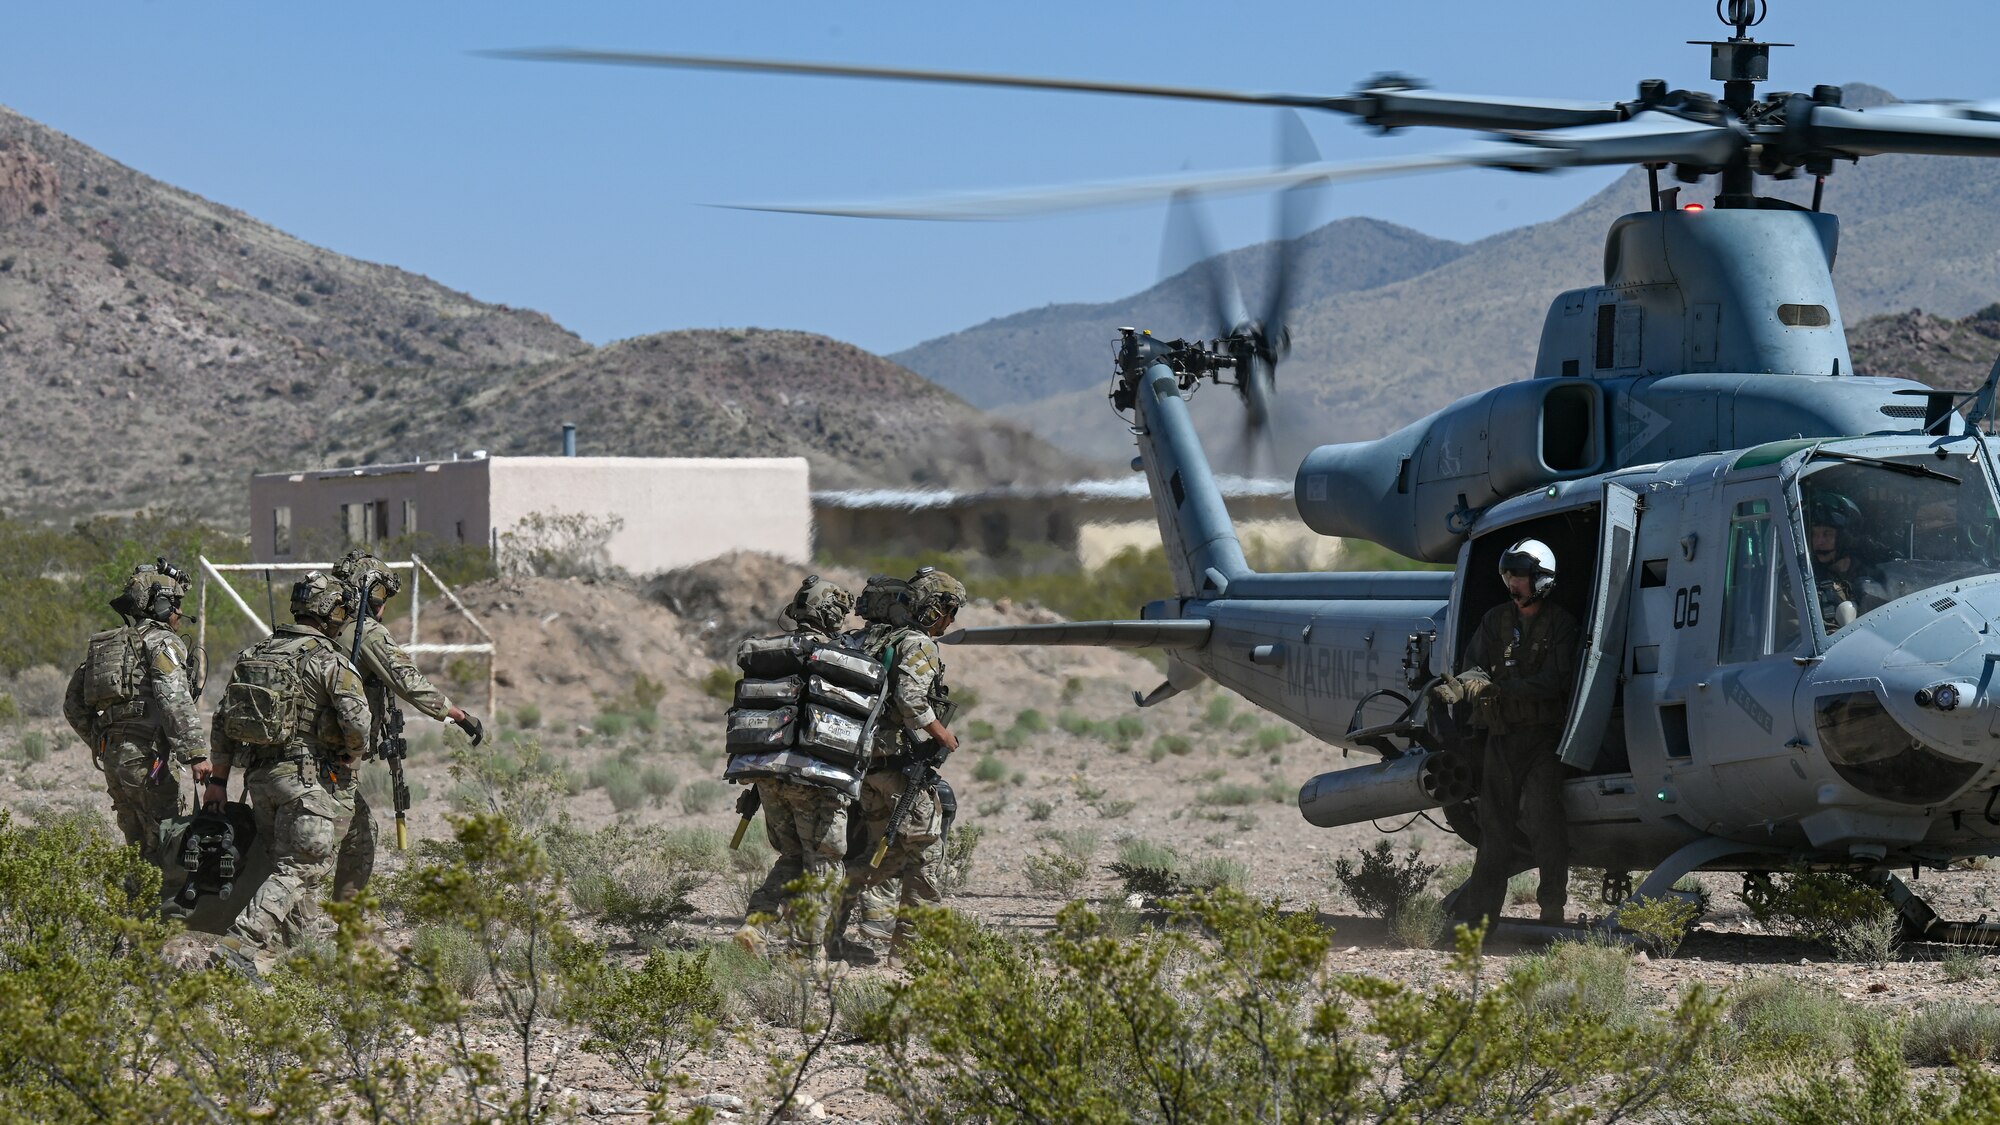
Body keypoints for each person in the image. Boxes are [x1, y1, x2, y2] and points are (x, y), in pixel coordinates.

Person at [205, 571, 370, 958]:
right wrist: (353, 752)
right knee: (301, 867)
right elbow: (359, 723)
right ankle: (239, 943)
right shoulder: (330, 660)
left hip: (261, 781)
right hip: (306, 782)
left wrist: (218, 780)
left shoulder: (254, 654)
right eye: (342, 609)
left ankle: (297, 962)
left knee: (293, 876)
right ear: (328, 611)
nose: (344, 617)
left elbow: (222, 721)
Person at [1432, 539, 1580, 929]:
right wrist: (1462, 686)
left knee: (1543, 817)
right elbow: (1475, 666)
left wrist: (1500, 690)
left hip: (1543, 739)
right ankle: (1481, 917)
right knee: (1493, 826)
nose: (1514, 584)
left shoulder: (1562, 625)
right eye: (1510, 576)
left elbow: (1556, 680)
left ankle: (1552, 909)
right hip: (1501, 737)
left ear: (1542, 580)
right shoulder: (1495, 620)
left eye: (1522, 577)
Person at [328, 549, 485, 898]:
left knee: (333, 840)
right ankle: (333, 925)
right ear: (373, 593)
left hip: (306, 754)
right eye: (384, 595)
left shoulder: (322, 626)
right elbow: (408, 681)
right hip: (332, 761)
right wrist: (458, 715)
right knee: (326, 849)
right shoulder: (364, 631)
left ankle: (341, 925)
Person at [837, 567, 965, 957]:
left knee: (881, 850)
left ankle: (826, 919)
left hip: (860, 767)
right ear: (933, 609)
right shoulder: (917, 643)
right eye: (950, 610)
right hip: (896, 767)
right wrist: (943, 735)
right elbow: (912, 699)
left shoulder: (862, 639)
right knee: (926, 853)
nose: (952, 620)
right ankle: (913, 948)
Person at [734, 575, 859, 962]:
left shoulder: (771, 650)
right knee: (824, 864)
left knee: (791, 857)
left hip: (767, 773)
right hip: (816, 777)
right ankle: (804, 954)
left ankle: (755, 926)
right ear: (832, 614)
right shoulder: (840, 656)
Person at [62, 561, 206, 868]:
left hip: (113, 759)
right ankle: (161, 913)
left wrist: (102, 740)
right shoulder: (162, 642)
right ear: (163, 605)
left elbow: (73, 705)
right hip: (149, 760)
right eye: (176, 605)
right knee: (168, 842)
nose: (180, 614)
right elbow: (175, 700)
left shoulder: (110, 645)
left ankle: (131, 910)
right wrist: (196, 754)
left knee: (137, 848)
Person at [1806, 492, 1875, 629]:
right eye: (1814, 534)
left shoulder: (1872, 574)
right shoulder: (1806, 583)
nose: (1818, 542)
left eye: (1827, 534)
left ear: (1845, 537)